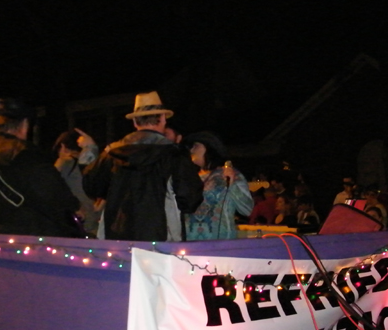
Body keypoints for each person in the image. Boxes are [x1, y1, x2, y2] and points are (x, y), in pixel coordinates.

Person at [82, 91, 203, 241]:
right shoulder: (174, 155)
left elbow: (91, 187)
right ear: (163, 119)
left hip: (117, 237)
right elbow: (190, 199)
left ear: (135, 122)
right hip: (162, 238)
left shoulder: (112, 154)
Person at [0, 97, 82, 237]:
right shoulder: (23, 152)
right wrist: (74, 207)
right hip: (28, 236)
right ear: (25, 124)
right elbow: (52, 193)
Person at [182, 131, 253, 240]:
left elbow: (247, 209)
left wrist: (232, 184)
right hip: (190, 244)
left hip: (221, 243)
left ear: (209, 148)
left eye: (196, 146)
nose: (191, 151)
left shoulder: (230, 174)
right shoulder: (186, 177)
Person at [53, 128, 100, 236]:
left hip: (76, 221)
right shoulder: (92, 164)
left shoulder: (64, 162)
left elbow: (49, 185)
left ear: (63, 147)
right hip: (94, 221)